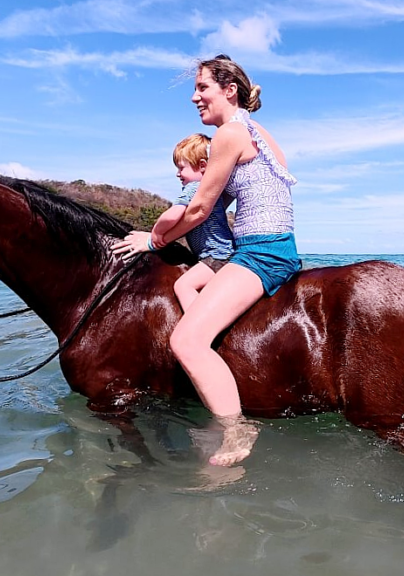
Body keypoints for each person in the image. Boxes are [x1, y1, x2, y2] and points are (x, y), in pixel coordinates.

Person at [111, 54, 300, 466]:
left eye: (202, 88)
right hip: (274, 245)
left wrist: (152, 243)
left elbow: (198, 209)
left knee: (186, 340)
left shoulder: (230, 136)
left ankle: (237, 431)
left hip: (261, 252)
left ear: (228, 90)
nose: (195, 98)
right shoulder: (258, 132)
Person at [151, 133, 235, 311]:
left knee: (183, 286)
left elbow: (173, 216)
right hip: (223, 255)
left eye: (181, 168)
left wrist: (156, 234)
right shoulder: (210, 189)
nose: (177, 174)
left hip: (217, 257)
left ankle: (196, 327)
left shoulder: (195, 188)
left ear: (203, 166)